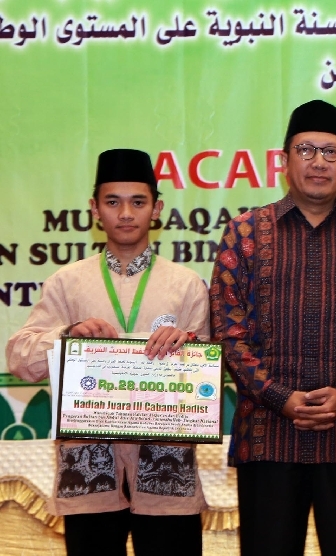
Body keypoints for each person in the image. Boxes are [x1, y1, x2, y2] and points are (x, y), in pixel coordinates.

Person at [210, 99, 336, 556]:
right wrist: (281, 398)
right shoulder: (244, 234)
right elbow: (228, 332)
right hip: (268, 439)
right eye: (307, 150)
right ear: (284, 160)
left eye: (331, 152)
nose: (319, 162)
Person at [6, 148, 209, 556]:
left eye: (138, 202)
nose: (126, 213)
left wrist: (188, 349)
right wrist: (68, 334)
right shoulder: (67, 283)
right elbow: (19, 358)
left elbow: (205, 376)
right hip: (89, 468)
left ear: (157, 209)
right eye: (113, 202)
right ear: (95, 210)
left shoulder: (187, 285)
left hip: (165, 467)